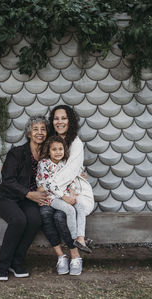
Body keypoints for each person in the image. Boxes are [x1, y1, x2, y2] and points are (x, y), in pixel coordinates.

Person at [39, 105, 94, 276]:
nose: (60, 121)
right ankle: (61, 256)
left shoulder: (75, 142)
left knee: (60, 215)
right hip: (52, 193)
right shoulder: (49, 140)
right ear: (52, 121)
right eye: (56, 118)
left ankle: (75, 255)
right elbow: (43, 166)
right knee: (46, 214)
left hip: (72, 190)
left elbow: (71, 171)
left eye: (63, 118)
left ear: (69, 120)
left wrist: (64, 190)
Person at [0, 115, 48, 281]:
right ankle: (2, 265)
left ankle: (17, 262)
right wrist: (29, 193)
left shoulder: (47, 154)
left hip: (27, 200)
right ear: (29, 133)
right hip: (7, 198)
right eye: (35, 129)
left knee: (35, 220)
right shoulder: (17, 153)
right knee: (18, 220)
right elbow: (8, 180)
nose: (40, 132)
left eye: (43, 129)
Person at [36, 135, 93, 252]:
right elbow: (49, 184)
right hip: (51, 197)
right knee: (70, 210)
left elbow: (70, 178)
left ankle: (81, 237)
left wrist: (72, 192)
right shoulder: (44, 164)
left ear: (65, 150)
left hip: (66, 195)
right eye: (54, 149)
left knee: (80, 206)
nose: (58, 152)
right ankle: (74, 238)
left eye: (60, 149)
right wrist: (64, 197)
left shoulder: (64, 163)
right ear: (49, 151)